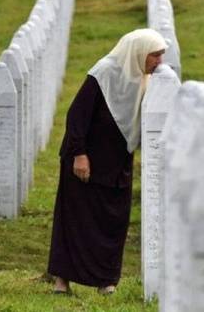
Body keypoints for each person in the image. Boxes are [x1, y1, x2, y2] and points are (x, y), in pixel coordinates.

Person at [47, 28, 168, 295]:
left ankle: (106, 280)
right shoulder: (104, 73)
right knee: (74, 221)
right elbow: (76, 116)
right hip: (84, 161)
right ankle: (62, 280)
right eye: (155, 55)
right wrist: (79, 154)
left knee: (113, 221)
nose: (159, 62)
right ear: (138, 53)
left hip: (116, 164)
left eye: (161, 56)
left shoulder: (144, 79)